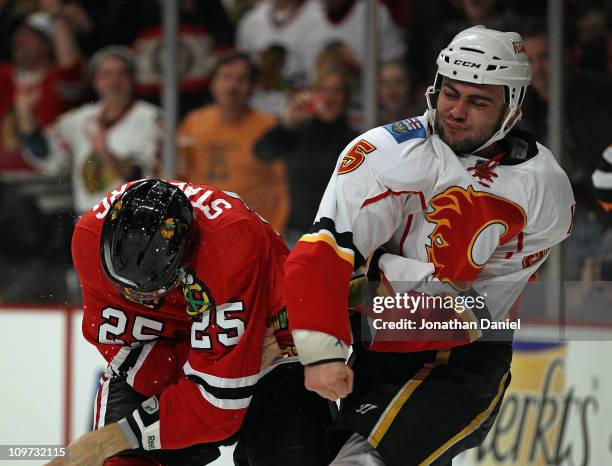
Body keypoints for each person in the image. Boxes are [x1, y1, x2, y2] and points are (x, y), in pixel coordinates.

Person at [284, 26, 575, 465]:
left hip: (463, 364)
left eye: (478, 101)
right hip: (374, 355)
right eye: (450, 94)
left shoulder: (544, 189)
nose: (456, 111)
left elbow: (468, 312)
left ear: (511, 107)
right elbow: (322, 255)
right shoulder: (382, 153)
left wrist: (369, 276)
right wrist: (320, 347)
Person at [47, 179, 332, 466]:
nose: (136, 297)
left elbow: (218, 410)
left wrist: (103, 441)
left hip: (276, 355)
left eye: (153, 290)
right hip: (245, 350)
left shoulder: (230, 241)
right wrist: (218, 366)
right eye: (123, 286)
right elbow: (125, 351)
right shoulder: (88, 237)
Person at [17, 45, 162, 215]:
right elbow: (46, 154)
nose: (114, 81)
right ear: (95, 81)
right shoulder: (79, 119)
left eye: (122, 73)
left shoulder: (153, 118)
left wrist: (106, 154)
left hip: (132, 219)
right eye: (106, 74)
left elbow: (147, 180)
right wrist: (25, 112)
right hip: (87, 218)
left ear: (133, 79)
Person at [177, 51, 289, 234]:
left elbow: (283, 185)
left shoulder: (268, 126)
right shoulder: (193, 122)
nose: (232, 86)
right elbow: (179, 173)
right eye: (226, 77)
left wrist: (276, 232)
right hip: (201, 228)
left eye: (241, 79)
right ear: (212, 83)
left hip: (254, 231)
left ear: (253, 86)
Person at [255, 66, 357, 246]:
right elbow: (262, 152)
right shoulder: (297, 131)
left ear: (346, 97)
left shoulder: (355, 140)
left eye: (337, 91)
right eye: (323, 90)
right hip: (296, 234)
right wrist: (289, 121)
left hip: (340, 237)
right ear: (313, 95)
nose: (329, 97)